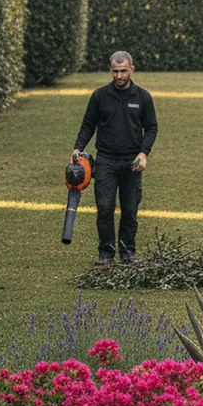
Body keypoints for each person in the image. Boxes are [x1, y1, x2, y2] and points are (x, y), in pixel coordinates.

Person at [72, 51, 158, 264]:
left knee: (130, 209)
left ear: (131, 69)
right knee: (104, 207)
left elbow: (152, 127)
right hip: (106, 160)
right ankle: (106, 253)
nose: (119, 76)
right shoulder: (100, 96)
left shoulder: (142, 97)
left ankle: (128, 253)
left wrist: (143, 153)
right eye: (115, 71)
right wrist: (77, 148)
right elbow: (88, 125)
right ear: (111, 70)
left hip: (132, 162)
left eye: (123, 71)